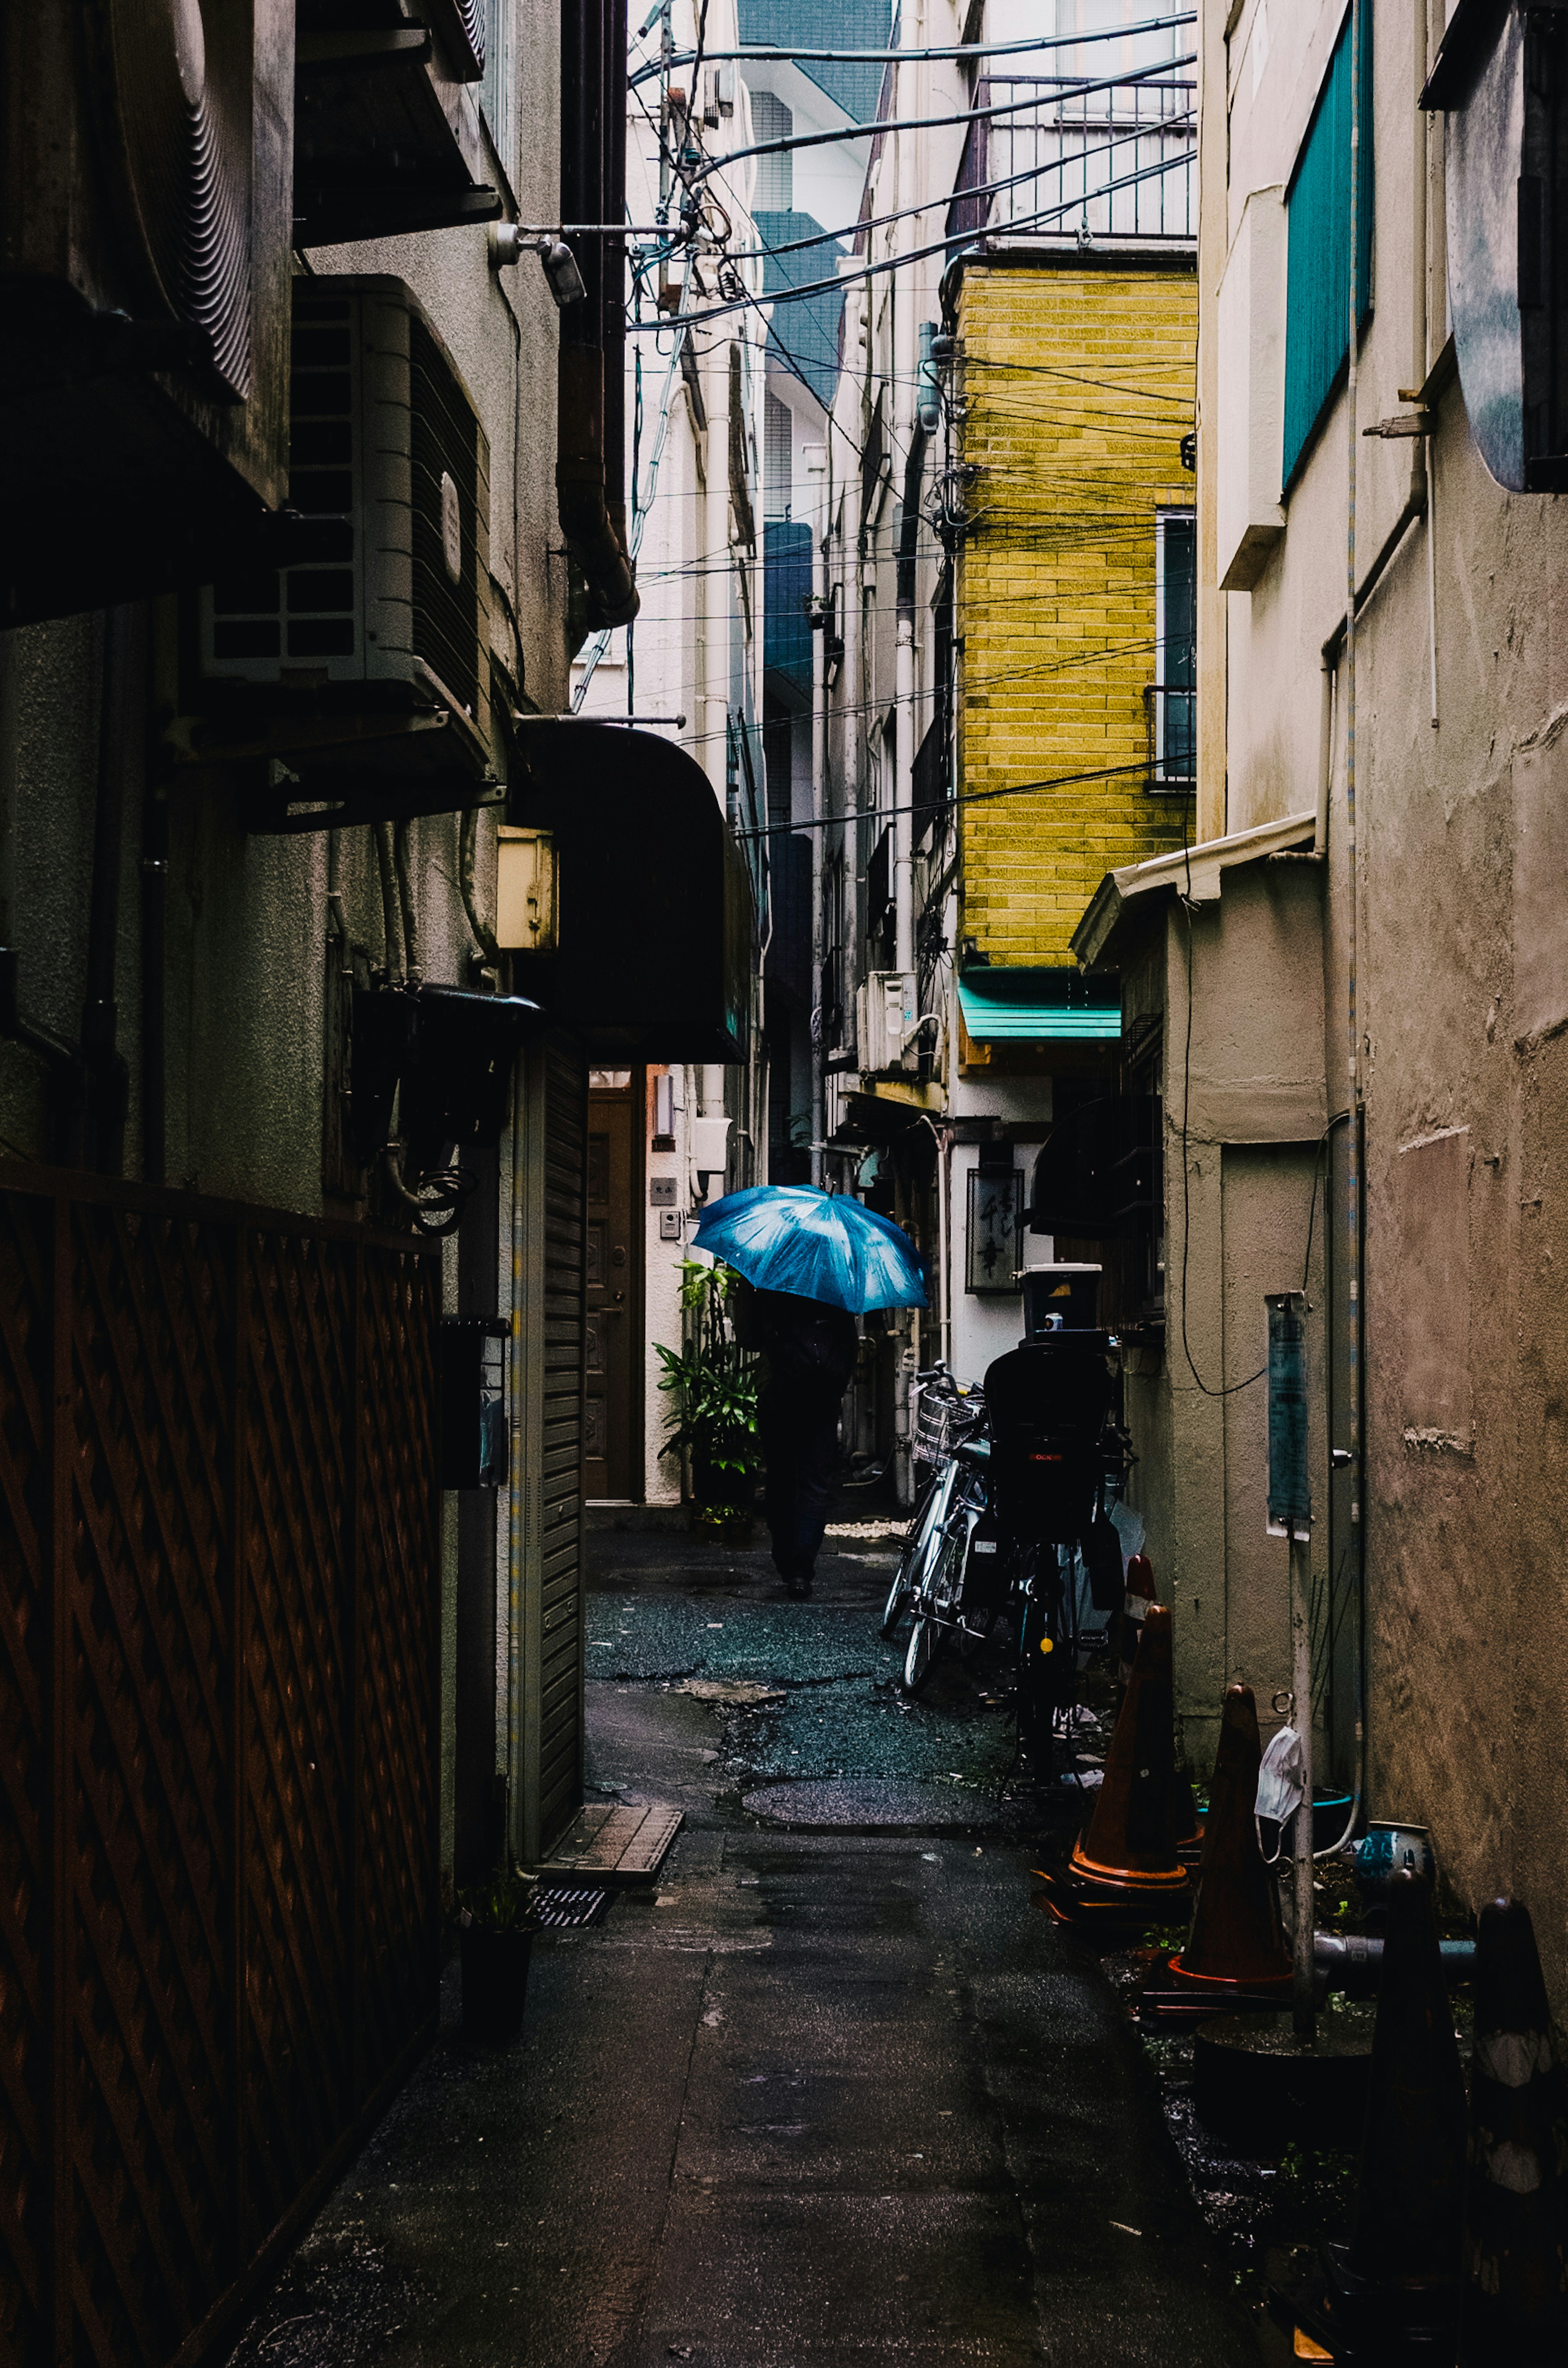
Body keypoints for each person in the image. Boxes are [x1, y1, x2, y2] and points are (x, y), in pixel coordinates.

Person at [733, 1278, 858, 1597]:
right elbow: (848, 1344)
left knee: (781, 1475)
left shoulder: (770, 1275)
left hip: (779, 1391)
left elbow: (747, 1338)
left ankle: (786, 1561)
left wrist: (749, 1293)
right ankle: (803, 1570)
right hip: (823, 1395)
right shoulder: (835, 1277)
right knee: (817, 1480)